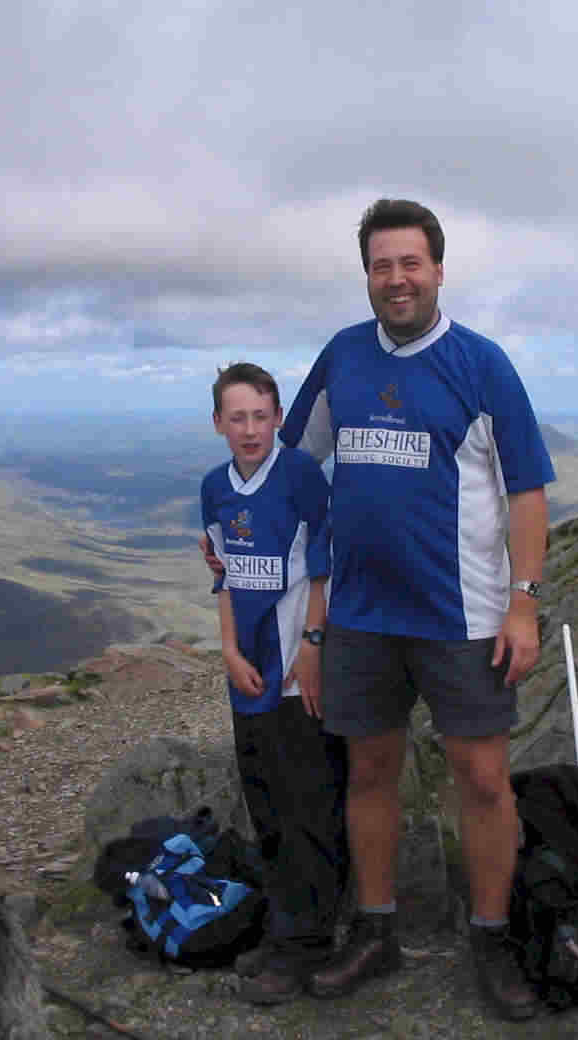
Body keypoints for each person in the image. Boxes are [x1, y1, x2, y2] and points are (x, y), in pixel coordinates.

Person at [279, 198, 554, 1020]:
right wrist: (234, 535)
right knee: (369, 771)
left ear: (438, 269)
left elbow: (527, 491)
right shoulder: (343, 357)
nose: (395, 279)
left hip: (463, 614)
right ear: (366, 274)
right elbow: (296, 471)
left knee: (483, 778)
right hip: (363, 614)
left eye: (410, 263)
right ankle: (377, 931)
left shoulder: (481, 364)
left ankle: (492, 938)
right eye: (380, 265)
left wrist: (525, 604)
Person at [199, 361, 349, 1005]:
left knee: (306, 807)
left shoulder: (299, 475)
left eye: (262, 416)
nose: (251, 429)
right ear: (218, 424)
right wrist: (228, 650)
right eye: (238, 417)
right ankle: (287, 929)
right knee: (265, 805)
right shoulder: (214, 487)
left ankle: (308, 946)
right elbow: (225, 574)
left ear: (281, 418)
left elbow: (323, 564)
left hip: (296, 671)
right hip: (249, 673)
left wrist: (313, 647)